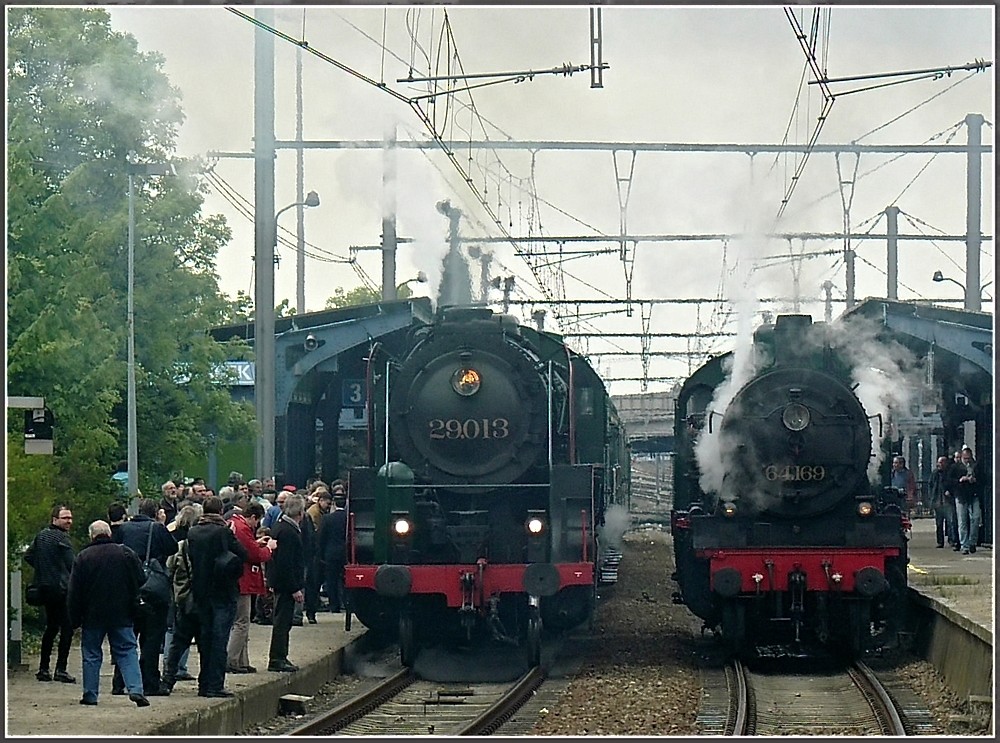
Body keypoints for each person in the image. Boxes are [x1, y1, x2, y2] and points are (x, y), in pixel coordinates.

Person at [66, 520, 149, 707]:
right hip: (122, 612)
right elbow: (141, 579)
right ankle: (136, 689)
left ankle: (90, 694)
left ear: (91, 536)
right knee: (127, 650)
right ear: (109, 534)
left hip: (92, 614)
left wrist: (74, 618)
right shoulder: (126, 553)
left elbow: (74, 591)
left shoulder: (83, 557)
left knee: (92, 654)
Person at [180, 495, 248, 698]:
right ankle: (215, 684)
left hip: (200, 591)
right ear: (220, 512)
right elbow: (242, 554)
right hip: (222, 591)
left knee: (205, 639)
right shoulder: (223, 532)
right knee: (219, 639)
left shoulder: (193, 532)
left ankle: (203, 683)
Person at [112, 498, 177, 696]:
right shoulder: (157, 529)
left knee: (127, 636)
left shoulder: (124, 529)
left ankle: (119, 681)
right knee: (151, 637)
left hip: (129, 588)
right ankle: (150, 682)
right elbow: (172, 549)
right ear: (156, 512)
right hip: (153, 590)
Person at [24, 505, 77, 684]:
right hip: (61, 589)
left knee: (51, 627)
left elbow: (28, 556)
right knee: (67, 628)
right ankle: (60, 668)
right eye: (65, 518)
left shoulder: (41, 536)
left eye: (70, 518)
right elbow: (72, 564)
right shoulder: (62, 538)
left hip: (44, 587)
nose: (69, 521)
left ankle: (43, 668)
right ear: (55, 519)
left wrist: (42, 569)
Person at [226, 502, 275, 674]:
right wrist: (268, 549)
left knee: (242, 622)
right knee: (242, 622)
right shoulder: (242, 528)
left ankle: (242, 661)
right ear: (253, 517)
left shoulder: (234, 524)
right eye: (257, 521)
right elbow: (253, 554)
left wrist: (256, 542)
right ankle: (232, 660)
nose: (257, 525)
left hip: (237, 579)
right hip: (243, 580)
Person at [267, 493, 307, 673]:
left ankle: (279, 657)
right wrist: (295, 588)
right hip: (285, 585)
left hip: (279, 582)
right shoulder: (289, 532)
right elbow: (286, 563)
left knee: (282, 621)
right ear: (300, 512)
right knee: (283, 622)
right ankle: (278, 658)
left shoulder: (279, 527)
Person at [318, 493, 348, 613]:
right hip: (346, 553)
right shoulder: (348, 518)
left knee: (331, 580)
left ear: (334, 504)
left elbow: (321, 537)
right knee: (345, 580)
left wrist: (321, 554)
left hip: (331, 553)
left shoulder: (327, 518)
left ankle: (334, 605)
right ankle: (346, 603)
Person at [953, 446, 982, 555]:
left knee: (976, 518)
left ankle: (972, 542)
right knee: (962, 521)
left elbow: (983, 479)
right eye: (965, 458)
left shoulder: (976, 467)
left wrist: (975, 480)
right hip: (961, 496)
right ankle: (965, 545)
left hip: (973, 495)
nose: (967, 461)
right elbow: (949, 481)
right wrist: (961, 480)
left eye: (968, 458)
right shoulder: (956, 467)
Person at [927, 455, 958, 549]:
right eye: (939, 462)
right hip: (938, 501)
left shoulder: (949, 473)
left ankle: (952, 540)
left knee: (951, 522)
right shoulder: (935, 473)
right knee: (939, 523)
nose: (940, 464)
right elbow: (930, 485)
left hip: (947, 501)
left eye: (942, 462)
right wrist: (931, 498)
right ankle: (940, 541)